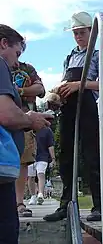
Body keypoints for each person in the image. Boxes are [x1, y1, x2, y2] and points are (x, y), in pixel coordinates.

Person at [43, 11, 103, 222]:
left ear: (92, 33)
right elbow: (66, 81)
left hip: (87, 105)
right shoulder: (69, 56)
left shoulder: (97, 54)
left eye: (82, 32)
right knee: (65, 156)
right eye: (75, 33)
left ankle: (99, 206)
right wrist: (57, 94)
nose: (78, 37)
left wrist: (78, 85)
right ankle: (66, 204)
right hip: (68, 106)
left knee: (91, 154)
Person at [0, 24, 54, 244]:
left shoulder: (25, 68)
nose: (15, 60)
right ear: (4, 43)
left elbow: (40, 88)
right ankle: (18, 201)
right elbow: (6, 114)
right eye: (16, 52)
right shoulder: (1, 64)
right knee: (6, 229)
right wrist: (30, 119)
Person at [12, 61, 46, 217]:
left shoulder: (26, 68)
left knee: (23, 161)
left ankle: (19, 203)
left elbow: (40, 89)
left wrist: (18, 91)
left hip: (25, 120)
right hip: (4, 116)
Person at [27, 126, 56, 205]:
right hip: (31, 156)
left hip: (41, 156)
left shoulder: (46, 130)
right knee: (32, 176)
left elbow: (50, 145)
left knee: (38, 175)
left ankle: (39, 194)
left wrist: (53, 158)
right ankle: (35, 195)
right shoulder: (28, 128)